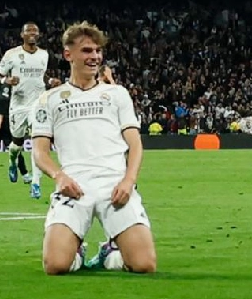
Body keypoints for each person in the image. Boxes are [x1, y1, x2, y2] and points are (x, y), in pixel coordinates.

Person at [31, 21, 157, 275]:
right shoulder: (49, 100)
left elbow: (135, 144)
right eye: (87, 50)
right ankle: (75, 250)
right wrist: (59, 177)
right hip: (74, 189)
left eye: (98, 51)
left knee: (144, 265)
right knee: (55, 265)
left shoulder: (117, 94)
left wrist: (129, 181)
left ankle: (111, 250)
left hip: (115, 187)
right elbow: (40, 152)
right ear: (68, 54)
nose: (95, 57)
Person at [0, 22, 61, 199]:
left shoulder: (44, 55)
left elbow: (42, 77)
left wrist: (51, 81)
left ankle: (35, 184)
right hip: (18, 105)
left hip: (38, 104)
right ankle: (12, 159)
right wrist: (6, 81)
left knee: (37, 142)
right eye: (29, 31)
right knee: (17, 142)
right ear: (22, 35)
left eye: (35, 31)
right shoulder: (12, 55)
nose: (32, 33)